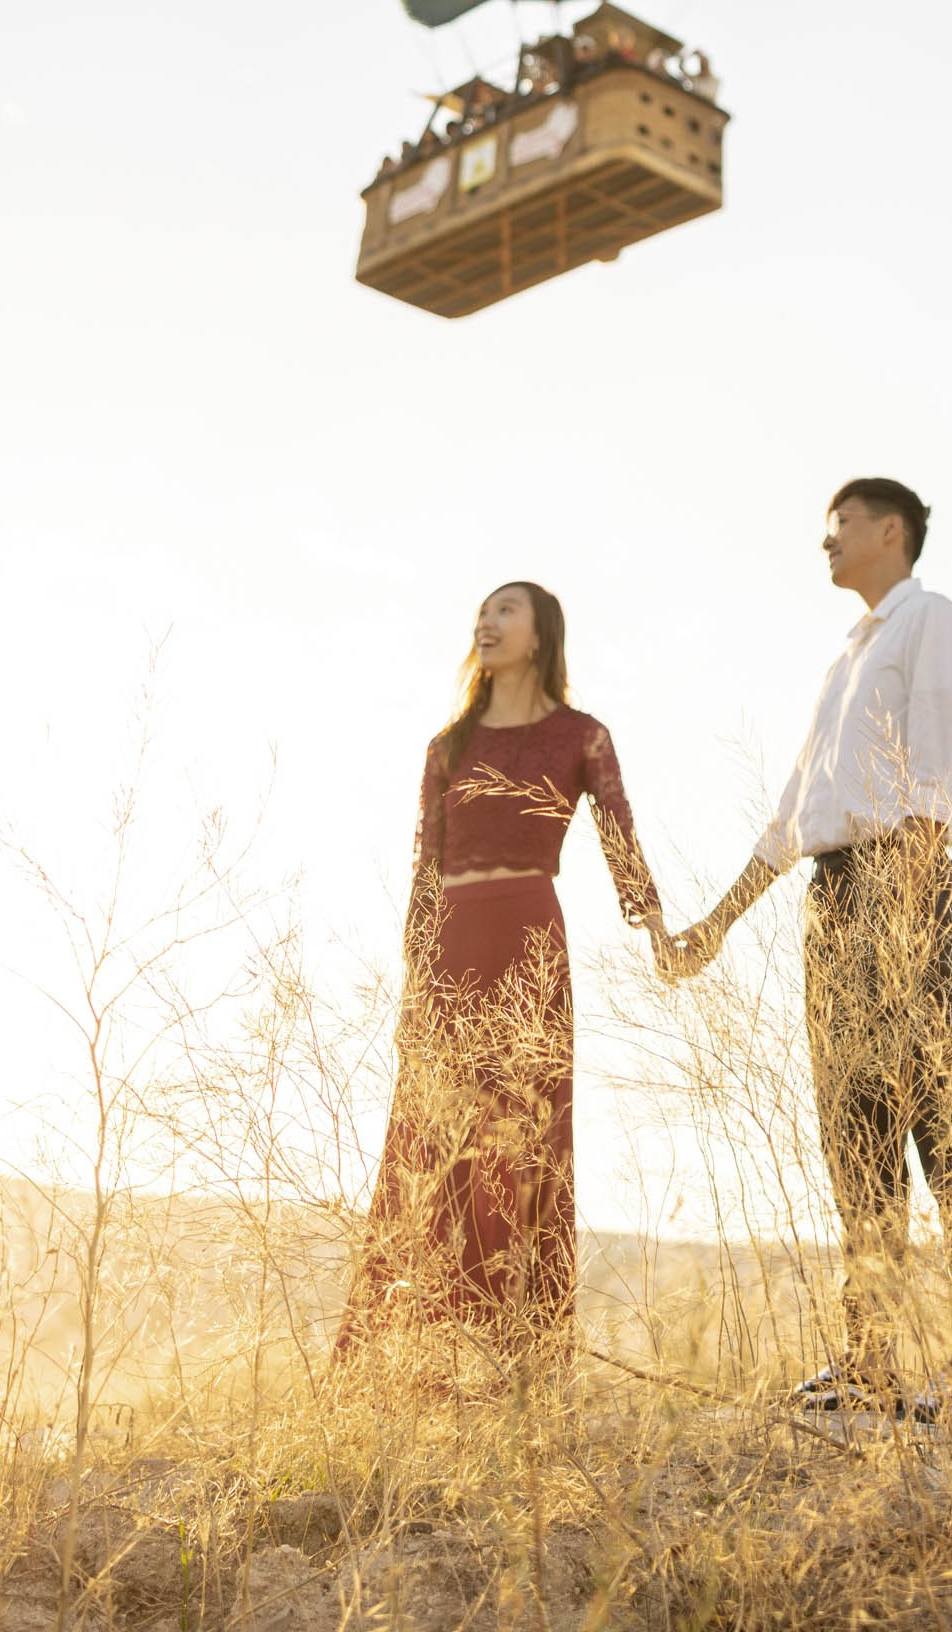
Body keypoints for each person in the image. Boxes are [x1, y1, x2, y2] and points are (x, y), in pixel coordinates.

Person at [664, 480, 952, 1414]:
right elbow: (793, 812)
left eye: (841, 524)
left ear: (889, 530)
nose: (825, 541)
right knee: (852, 1132)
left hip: (899, 881)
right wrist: (720, 920)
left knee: (943, 1118)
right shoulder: (843, 660)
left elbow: (940, 767)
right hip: (833, 897)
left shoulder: (928, 620)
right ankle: (870, 1364)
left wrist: (906, 895)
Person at [339, 580, 663, 1363]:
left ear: (541, 635)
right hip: (453, 941)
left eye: (505, 610)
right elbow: (424, 873)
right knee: (433, 1134)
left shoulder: (581, 736)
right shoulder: (446, 747)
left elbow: (618, 835)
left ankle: (508, 1351)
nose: (486, 621)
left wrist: (655, 925)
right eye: (482, 612)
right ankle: (416, 1349)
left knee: (521, 1135)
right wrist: (415, 982)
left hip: (527, 937)